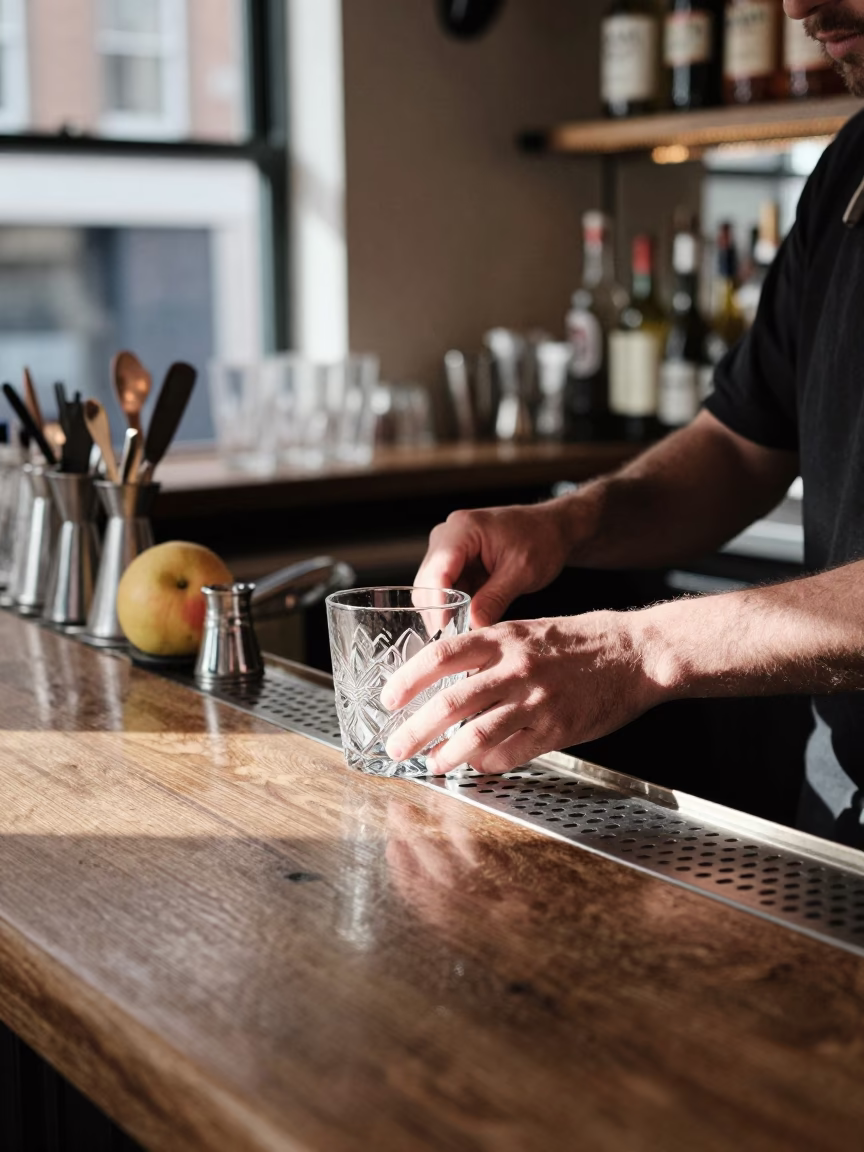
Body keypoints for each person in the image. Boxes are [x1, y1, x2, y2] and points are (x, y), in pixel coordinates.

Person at [381, 0, 864, 844]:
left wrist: (640, 649)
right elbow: (737, 446)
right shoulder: (851, 170)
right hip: (840, 801)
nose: (797, 7)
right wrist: (567, 523)